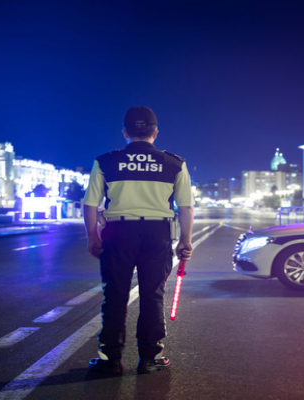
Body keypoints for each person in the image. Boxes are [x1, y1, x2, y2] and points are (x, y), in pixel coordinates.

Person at [82, 106, 194, 375]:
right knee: (152, 295)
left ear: (125, 133)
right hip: (157, 234)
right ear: (155, 133)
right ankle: (150, 357)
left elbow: (90, 204)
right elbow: (185, 207)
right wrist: (185, 241)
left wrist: (93, 238)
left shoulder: (106, 161)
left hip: (118, 234)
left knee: (115, 294)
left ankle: (110, 359)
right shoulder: (174, 163)